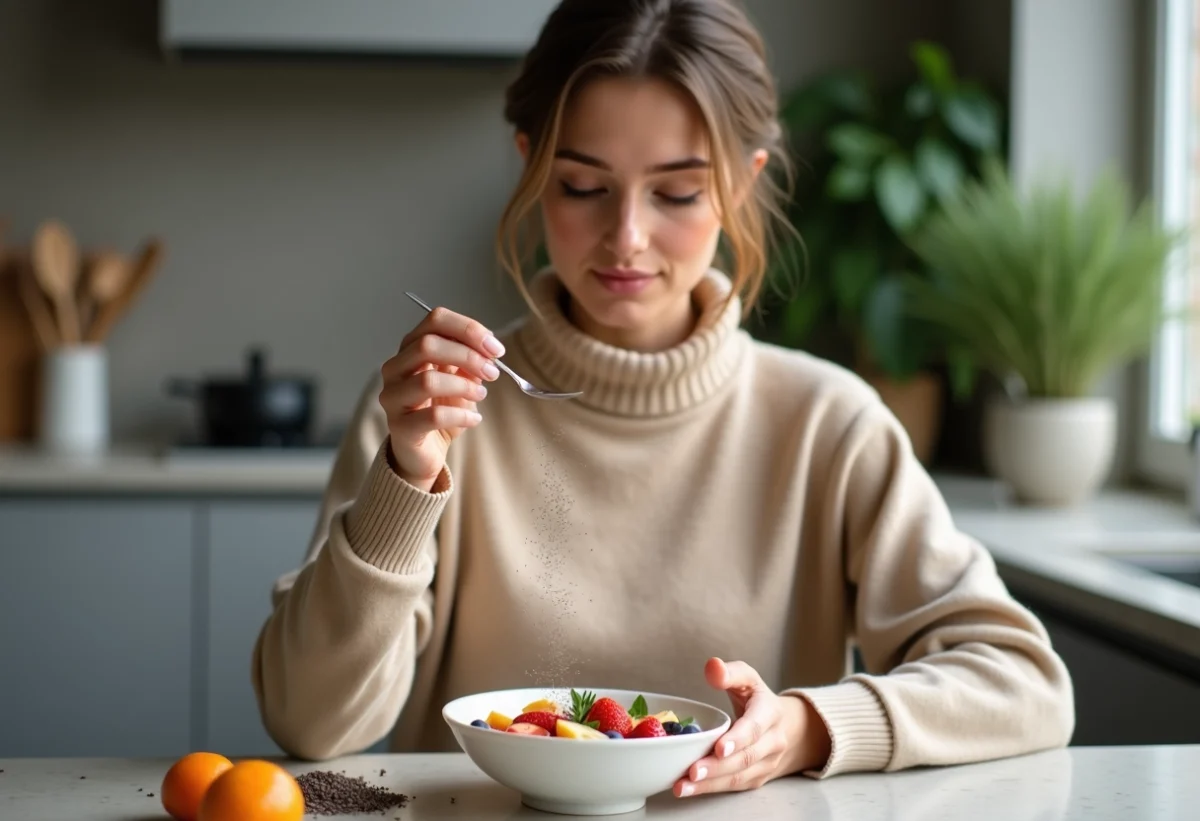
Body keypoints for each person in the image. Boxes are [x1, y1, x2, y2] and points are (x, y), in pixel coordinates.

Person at [251, 0, 1074, 799]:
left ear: (742, 184)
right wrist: (405, 476)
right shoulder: (431, 414)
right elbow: (312, 725)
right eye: (581, 186)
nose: (628, 238)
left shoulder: (828, 423)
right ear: (531, 164)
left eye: (677, 192)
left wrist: (810, 726)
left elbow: (1025, 682)